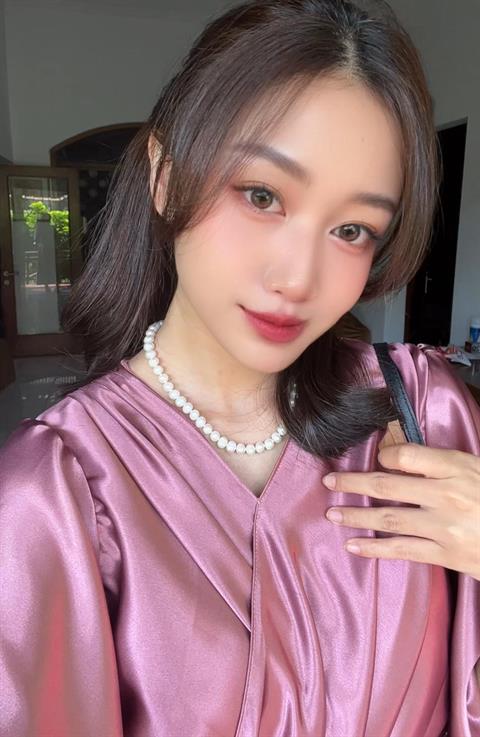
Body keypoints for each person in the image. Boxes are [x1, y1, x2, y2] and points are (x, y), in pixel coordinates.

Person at [1, 1, 479, 735]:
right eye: (262, 196)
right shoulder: (58, 491)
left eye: (352, 229)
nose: (298, 278)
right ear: (166, 177)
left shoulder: (423, 415)